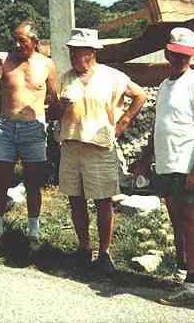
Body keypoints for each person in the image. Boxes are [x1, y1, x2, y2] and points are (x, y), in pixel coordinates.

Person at [130, 27, 194, 305]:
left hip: (185, 166)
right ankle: (183, 271)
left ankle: (192, 284)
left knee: (189, 222)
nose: (180, 60)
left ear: (191, 56)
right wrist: (145, 159)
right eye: (176, 54)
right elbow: (159, 128)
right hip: (166, 165)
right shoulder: (166, 85)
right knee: (176, 221)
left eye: (185, 56)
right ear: (168, 52)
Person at [57, 28, 147, 273]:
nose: (73, 55)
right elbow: (54, 112)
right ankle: (84, 249)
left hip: (100, 147)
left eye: (79, 50)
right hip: (71, 143)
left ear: (92, 52)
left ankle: (105, 253)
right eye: (71, 50)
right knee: (75, 199)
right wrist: (59, 107)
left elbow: (140, 94)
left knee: (103, 202)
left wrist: (123, 122)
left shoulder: (112, 76)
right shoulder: (65, 78)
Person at [0, 20, 58, 253]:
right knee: (1, 181)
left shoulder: (47, 64)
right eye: (14, 40)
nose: (16, 44)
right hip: (6, 127)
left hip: (33, 129)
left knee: (33, 184)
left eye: (22, 40)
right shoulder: (5, 60)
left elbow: (53, 96)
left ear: (35, 42)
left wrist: (51, 121)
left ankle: (33, 234)